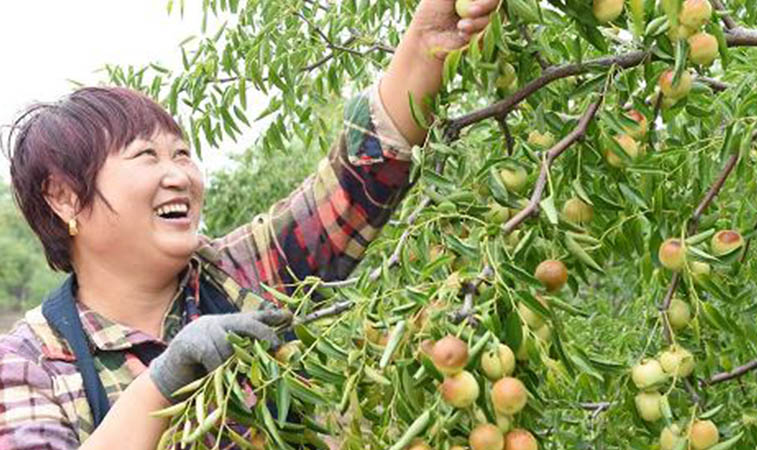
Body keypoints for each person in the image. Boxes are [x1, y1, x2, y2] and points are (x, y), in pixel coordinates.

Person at [0, 0, 499, 448]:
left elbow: (357, 177)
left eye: (182, 154)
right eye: (146, 156)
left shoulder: (238, 276)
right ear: (64, 197)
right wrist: (162, 383)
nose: (180, 176)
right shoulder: (33, 362)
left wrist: (427, 43)